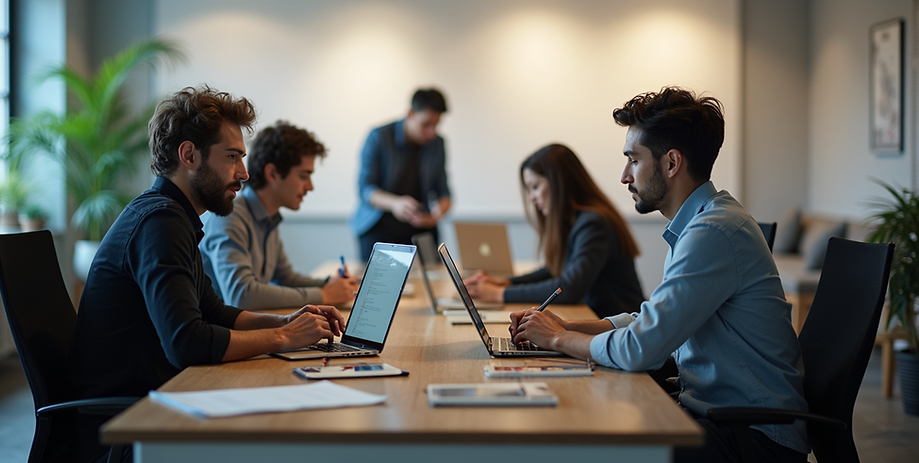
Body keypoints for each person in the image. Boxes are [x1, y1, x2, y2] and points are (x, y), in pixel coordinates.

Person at [510, 88, 809, 463]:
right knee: (576, 441)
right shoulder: (699, 225)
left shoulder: (713, 233)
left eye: (633, 160)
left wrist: (555, 340)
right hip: (718, 418)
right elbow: (647, 321)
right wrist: (564, 325)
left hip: (754, 440)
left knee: (580, 453)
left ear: (671, 163)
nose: (623, 176)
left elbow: (642, 349)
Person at [68, 86, 345, 463]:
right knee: (301, 449)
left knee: (300, 439)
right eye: (232, 157)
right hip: (126, 433)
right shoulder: (160, 223)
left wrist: (288, 320)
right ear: (189, 155)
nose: (244, 173)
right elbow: (186, 343)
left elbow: (214, 311)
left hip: (156, 407)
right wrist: (284, 338)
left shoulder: (173, 218)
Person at [464, 144, 644, 318]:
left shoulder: (594, 223)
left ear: (559, 184)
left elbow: (569, 287)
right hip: (601, 324)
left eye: (535, 187)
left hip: (623, 332)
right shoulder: (577, 220)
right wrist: (507, 282)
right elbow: (554, 271)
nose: (532, 198)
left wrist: (500, 293)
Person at [200, 121, 359, 310]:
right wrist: (323, 295)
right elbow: (241, 295)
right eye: (303, 175)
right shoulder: (230, 216)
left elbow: (286, 278)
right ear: (273, 173)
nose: (310, 186)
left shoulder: (268, 217)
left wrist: (329, 284)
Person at [351, 88, 452, 260]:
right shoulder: (379, 137)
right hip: (379, 228)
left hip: (420, 229)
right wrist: (395, 204)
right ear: (411, 113)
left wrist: (437, 214)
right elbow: (365, 189)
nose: (431, 132)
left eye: (436, 125)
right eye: (426, 124)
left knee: (434, 282)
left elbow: (444, 192)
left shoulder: (437, 144)